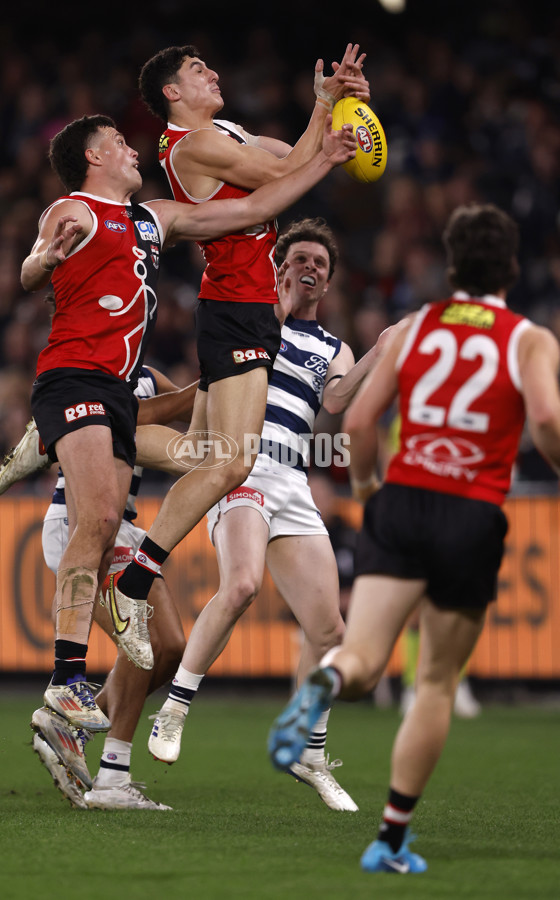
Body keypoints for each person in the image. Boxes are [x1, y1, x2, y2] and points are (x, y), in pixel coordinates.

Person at [20, 110, 357, 732]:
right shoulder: (74, 211)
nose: (129, 146)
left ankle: (86, 722)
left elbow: (248, 211)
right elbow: (32, 265)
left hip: (120, 391)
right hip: (76, 374)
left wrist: (324, 161)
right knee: (95, 518)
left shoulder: (154, 217)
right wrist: (45, 262)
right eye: (117, 141)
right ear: (93, 158)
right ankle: (67, 679)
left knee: (210, 457)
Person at [268, 203, 560, 872]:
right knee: (433, 682)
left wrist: (371, 493)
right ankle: (391, 840)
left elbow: (359, 422)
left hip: (402, 501)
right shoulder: (527, 337)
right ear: (511, 267)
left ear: (451, 265)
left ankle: (321, 685)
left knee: (362, 658)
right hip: (470, 509)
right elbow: (545, 418)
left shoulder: (416, 327)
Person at [105, 44, 370, 652]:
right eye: (198, 71)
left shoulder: (223, 132)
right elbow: (284, 177)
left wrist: (338, 111)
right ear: (172, 92)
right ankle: (135, 579)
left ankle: (78, 435)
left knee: (206, 452)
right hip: (236, 309)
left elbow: (289, 154)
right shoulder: (192, 146)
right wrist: (325, 126)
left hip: (240, 309)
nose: (214, 72)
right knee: (229, 463)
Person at [146, 218, 392, 811]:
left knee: (329, 629)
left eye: (320, 265)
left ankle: (309, 751)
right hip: (239, 465)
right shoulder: (250, 316)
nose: (310, 268)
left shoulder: (333, 347)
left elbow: (334, 399)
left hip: (291, 480)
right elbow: (235, 365)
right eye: (300, 259)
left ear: (329, 282)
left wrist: (380, 353)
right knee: (243, 585)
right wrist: (273, 307)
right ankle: (174, 710)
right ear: (279, 267)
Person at [29, 365, 196, 810]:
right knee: (141, 643)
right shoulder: (86, 376)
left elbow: (195, 411)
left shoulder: (145, 374)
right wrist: (218, 377)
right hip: (82, 523)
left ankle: (72, 728)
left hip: (124, 526)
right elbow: (137, 418)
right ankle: (112, 780)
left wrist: (239, 390)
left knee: (172, 648)